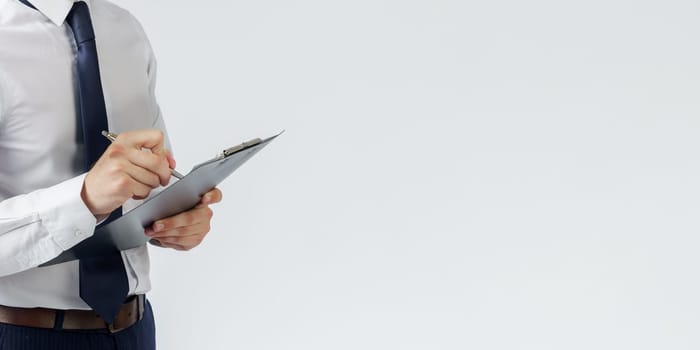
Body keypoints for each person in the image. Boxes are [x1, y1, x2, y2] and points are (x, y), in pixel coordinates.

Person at [0, 0, 222, 348]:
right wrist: (84, 199)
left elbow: (151, 181)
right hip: (23, 334)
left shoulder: (124, 30)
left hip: (135, 328)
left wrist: (178, 219)